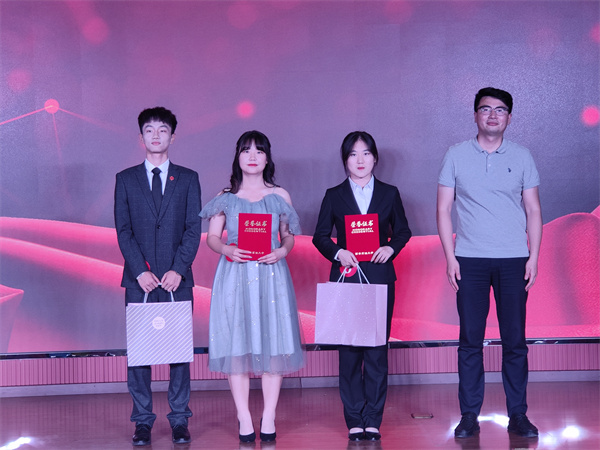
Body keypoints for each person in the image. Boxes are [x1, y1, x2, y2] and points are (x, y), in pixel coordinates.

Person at [436, 87, 542, 439]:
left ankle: (518, 415)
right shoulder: (455, 155)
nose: (493, 115)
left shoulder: (522, 156)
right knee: (470, 341)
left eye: (500, 110)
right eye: (485, 109)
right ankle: (469, 416)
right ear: (475, 115)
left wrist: (534, 256)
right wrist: (450, 257)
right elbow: (443, 209)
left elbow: (533, 209)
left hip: (514, 260)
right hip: (470, 260)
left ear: (509, 117)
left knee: (515, 342)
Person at [199, 130, 304, 443]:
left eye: (259, 150)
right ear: (238, 157)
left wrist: (282, 251)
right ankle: (243, 417)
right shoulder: (226, 196)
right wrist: (227, 249)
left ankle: (268, 416)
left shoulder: (280, 195)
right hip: (235, 275)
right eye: (246, 150)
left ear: (268, 158)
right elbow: (212, 238)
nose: (253, 156)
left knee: (274, 343)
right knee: (237, 345)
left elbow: (288, 236)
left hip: (271, 276)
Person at [313, 131, 411, 441]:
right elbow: (319, 236)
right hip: (347, 278)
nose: (360, 160)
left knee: (377, 352)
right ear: (345, 160)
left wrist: (390, 248)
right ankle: (354, 418)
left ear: (375, 158)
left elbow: (403, 231)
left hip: (379, 278)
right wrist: (337, 252)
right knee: (349, 352)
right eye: (353, 154)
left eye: (366, 153)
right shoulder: (334, 195)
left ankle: (373, 419)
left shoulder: (389, 193)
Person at [114, 107, 202, 446]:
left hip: (177, 279)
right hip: (140, 281)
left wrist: (178, 269)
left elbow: (193, 228)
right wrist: (140, 271)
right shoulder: (125, 179)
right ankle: (142, 422)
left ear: (172, 137)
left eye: (162, 129)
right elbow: (123, 230)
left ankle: (179, 420)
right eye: (149, 130)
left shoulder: (188, 178)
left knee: (178, 352)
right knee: (140, 354)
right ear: (141, 138)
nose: (155, 135)